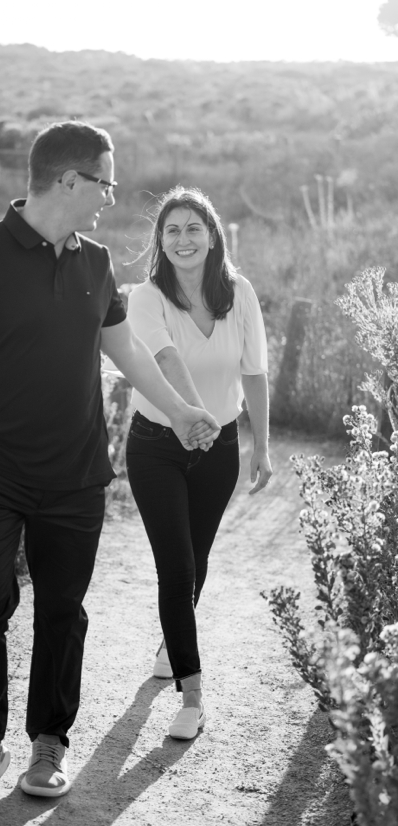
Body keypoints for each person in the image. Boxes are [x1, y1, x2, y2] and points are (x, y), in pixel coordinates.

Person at [0, 121, 220, 816]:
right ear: (68, 180)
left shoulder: (97, 264)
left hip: (74, 474)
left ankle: (49, 741)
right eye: (105, 180)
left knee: (62, 613)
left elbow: (126, 354)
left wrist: (183, 410)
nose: (112, 194)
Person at [125, 186, 271, 740]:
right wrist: (191, 416)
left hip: (221, 447)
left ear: (212, 236)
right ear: (160, 242)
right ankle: (192, 693)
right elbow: (163, 358)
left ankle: (172, 636)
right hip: (157, 444)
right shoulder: (147, 297)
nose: (183, 239)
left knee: (197, 559)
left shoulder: (241, 293)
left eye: (193, 228)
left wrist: (261, 444)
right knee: (177, 567)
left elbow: (254, 371)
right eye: (172, 230)